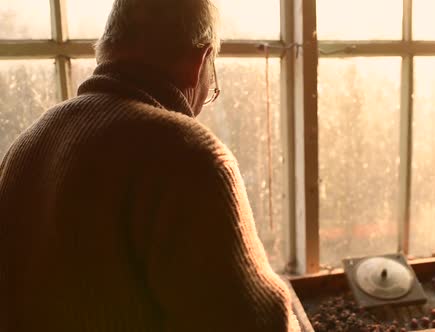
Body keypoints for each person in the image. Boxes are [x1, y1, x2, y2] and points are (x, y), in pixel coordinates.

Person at [0, 0, 300, 331]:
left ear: (107, 49)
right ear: (198, 62)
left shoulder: (25, 146)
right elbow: (256, 323)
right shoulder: (190, 156)